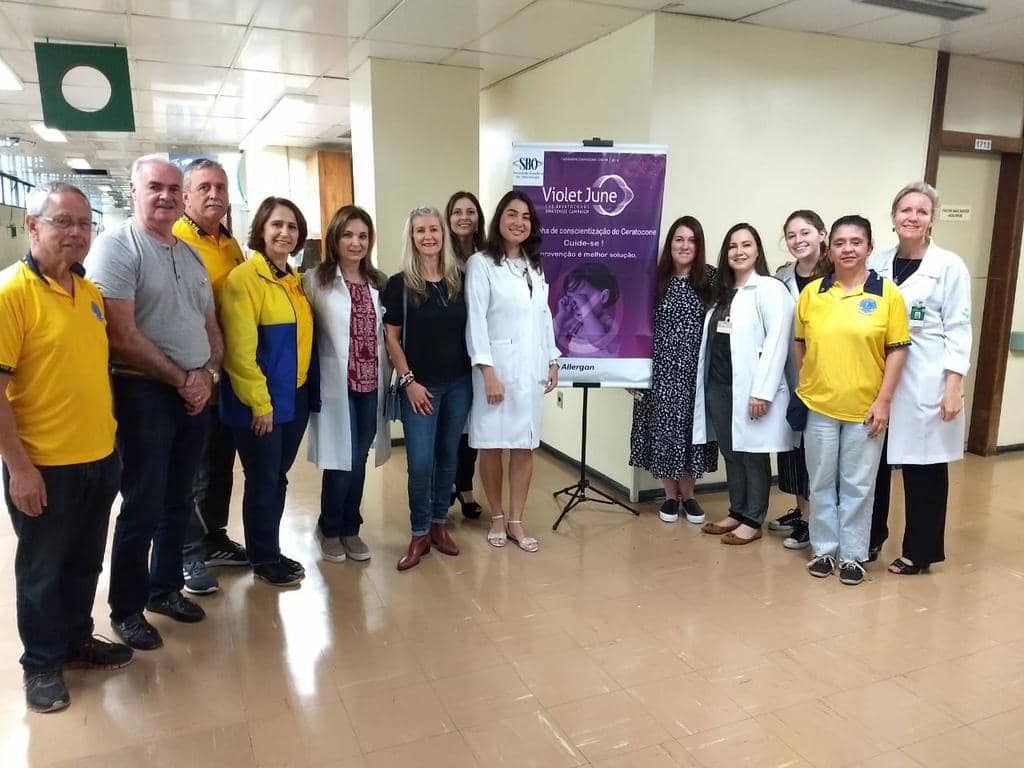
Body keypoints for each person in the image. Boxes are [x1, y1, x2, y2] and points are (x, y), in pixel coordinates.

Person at [0, 183, 132, 713]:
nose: (75, 232)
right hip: (44, 464)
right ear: (33, 226)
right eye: (62, 222)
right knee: (42, 569)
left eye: (83, 223)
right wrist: (19, 468)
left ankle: (77, 640)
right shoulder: (12, 294)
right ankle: (41, 664)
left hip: (99, 458)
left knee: (83, 562)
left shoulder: (90, 294)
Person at [86, 156, 221, 650]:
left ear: (182, 196)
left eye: (172, 188)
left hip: (192, 393)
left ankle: (165, 589)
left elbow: (209, 324)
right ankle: (126, 608)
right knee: (142, 502)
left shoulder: (188, 254)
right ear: (135, 189)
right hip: (143, 392)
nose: (164, 196)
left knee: (178, 499)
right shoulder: (117, 247)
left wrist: (206, 375)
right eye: (154, 187)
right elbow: (120, 334)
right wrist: (180, 378)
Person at [796, 215, 909, 586]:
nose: (847, 249)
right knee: (821, 482)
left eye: (856, 242)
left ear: (869, 248)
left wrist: (884, 401)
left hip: (866, 409)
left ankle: (854, 555)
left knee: (860, 485)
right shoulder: (812, 293)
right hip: (820, 407)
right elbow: (800, 344)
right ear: (829, 249)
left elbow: (896, 351)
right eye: (840, 242)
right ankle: (825, 549)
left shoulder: (887, 294)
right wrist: (807, 383)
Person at [868, 182, 971, 574]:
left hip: (926, 378)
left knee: (924, 469)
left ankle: (921, 550)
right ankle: (870, 537)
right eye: (905, 210)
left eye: (922, 211)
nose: (912, 217)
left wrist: (953, 385)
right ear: (893, 217)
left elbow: (960, 329)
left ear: (932, 219)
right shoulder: (876, 263)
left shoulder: (949, 266)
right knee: (872, 465)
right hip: (879, 379)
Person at [219, 196, 314, 587]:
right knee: (263, 480)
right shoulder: (244, 280)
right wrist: (261, 405)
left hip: (292, 399)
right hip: (261, 405)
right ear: (260, 229)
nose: (284, 233)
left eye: (292, 226)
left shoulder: (291, 279)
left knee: (275, 478)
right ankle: (263, 559)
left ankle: (268, 550)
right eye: (276, 225)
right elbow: (240, 354)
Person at [465, 191, 559, 552]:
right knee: (492, 445)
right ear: (498, 220)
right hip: (496, 369)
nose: (518, 222)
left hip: (530, 371)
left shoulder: (535, 266)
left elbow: (544, 315)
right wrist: (487, 372)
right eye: (511, 214)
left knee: (524, 445)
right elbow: (476, 320)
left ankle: (517, 520)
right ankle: (497, 517)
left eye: (525, 217)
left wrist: (552, 358)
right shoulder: (481, 264)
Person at [692, 223, 796, 544]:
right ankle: (736, 511)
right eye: (733, 246)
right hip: (719, 387)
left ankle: (753, 518)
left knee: (753, 453)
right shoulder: (722, 293)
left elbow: (778, 343)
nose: (739, 251)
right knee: (731, 450)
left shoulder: (769, 289)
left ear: (757, 251)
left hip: (751, 390)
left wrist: (762, 391)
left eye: (746, 245)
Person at [384, 206, 473, 571]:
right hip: (419, 387)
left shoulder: (460, 280)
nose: (428, 236)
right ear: (412, 237)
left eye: (434, 229)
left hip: (459, 384)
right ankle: (419, 531)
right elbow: (391, 338)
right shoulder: (399, 284)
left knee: (449, 457)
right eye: (420, 230)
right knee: (420, 463)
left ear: (444, 235)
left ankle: (439, 524)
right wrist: (408, 381)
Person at [175, 158, 247, 596]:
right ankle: (188, 553)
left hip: (225, 373)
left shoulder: (230, 243)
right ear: (186, 196)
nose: (214, 193)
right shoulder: (175, 241)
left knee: (219, 463)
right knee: (189, 467)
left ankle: (214, 537)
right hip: (189, 373)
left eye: (220, 186)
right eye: (204, 186)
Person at [304, 205, 390, 564]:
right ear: (335, 238)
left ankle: (351, 528)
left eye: (363, 236)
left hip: (371, 385)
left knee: (358, 457)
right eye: (348, 235)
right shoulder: (314, 280)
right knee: (341, 459)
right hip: (337, 385)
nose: (356, 243)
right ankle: (329, 527)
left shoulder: (379, 284)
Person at [629, 216, 717, 525]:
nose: (684, 245)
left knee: (692, 434)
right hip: (660, 375)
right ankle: (669, 496)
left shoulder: (711, 279)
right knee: (664, 434)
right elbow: (635, 329)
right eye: (679, 239)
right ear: (670, 244)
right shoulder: (653, 279)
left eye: (691, 240)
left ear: (699, 246)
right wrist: (632, 374)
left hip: (697, 373)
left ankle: (690, 496)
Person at [767, 210, 830, 550]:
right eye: (791, 235)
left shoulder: (837, 276)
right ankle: (801, 509)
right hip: (790, 374)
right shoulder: (780, 277)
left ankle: (812, 519)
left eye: (805, 232)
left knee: (815, 447)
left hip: (823, 374)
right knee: (791, 444)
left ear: (822, 233)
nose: (798, 240)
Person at [445, 191, 486, 520]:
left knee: (473, 426)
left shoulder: (487, 256)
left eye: (470, 211)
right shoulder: (438, 254)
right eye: (457, 211)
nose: (464, 217)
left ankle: (466, 488)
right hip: (447, 348)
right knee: (449, 423)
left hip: (479, 349)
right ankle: (445, 486)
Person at [553, 261, 621, 355]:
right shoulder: (575, 324)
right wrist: (561, 316)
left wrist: (584, 307)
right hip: (575, 368)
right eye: (571, 298)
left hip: (602, 369)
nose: (576, 303)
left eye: (582, 297)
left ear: (604, 297)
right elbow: (549, 339)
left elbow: (598, 341)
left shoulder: (609, 324)